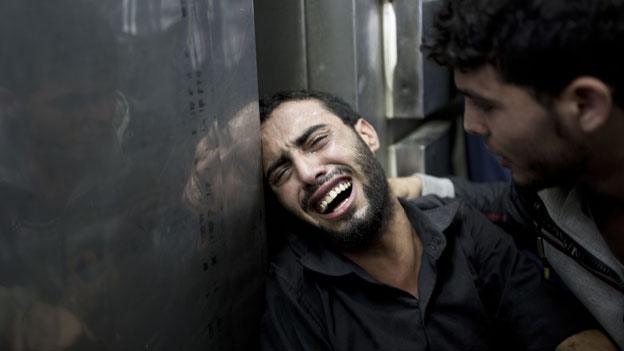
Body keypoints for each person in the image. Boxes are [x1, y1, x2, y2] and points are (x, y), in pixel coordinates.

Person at [259, 90, 616, 351]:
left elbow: (558, 329)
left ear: (366, 136)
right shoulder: (295, 292)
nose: (306, 172)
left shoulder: (463, 229)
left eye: (317, 141)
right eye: (281, 173)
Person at [389, 0, 624, 347]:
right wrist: (419, 186)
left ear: (585, 105)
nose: (470, 125)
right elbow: (503, 203)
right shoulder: (549, 192)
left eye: (486, 104)